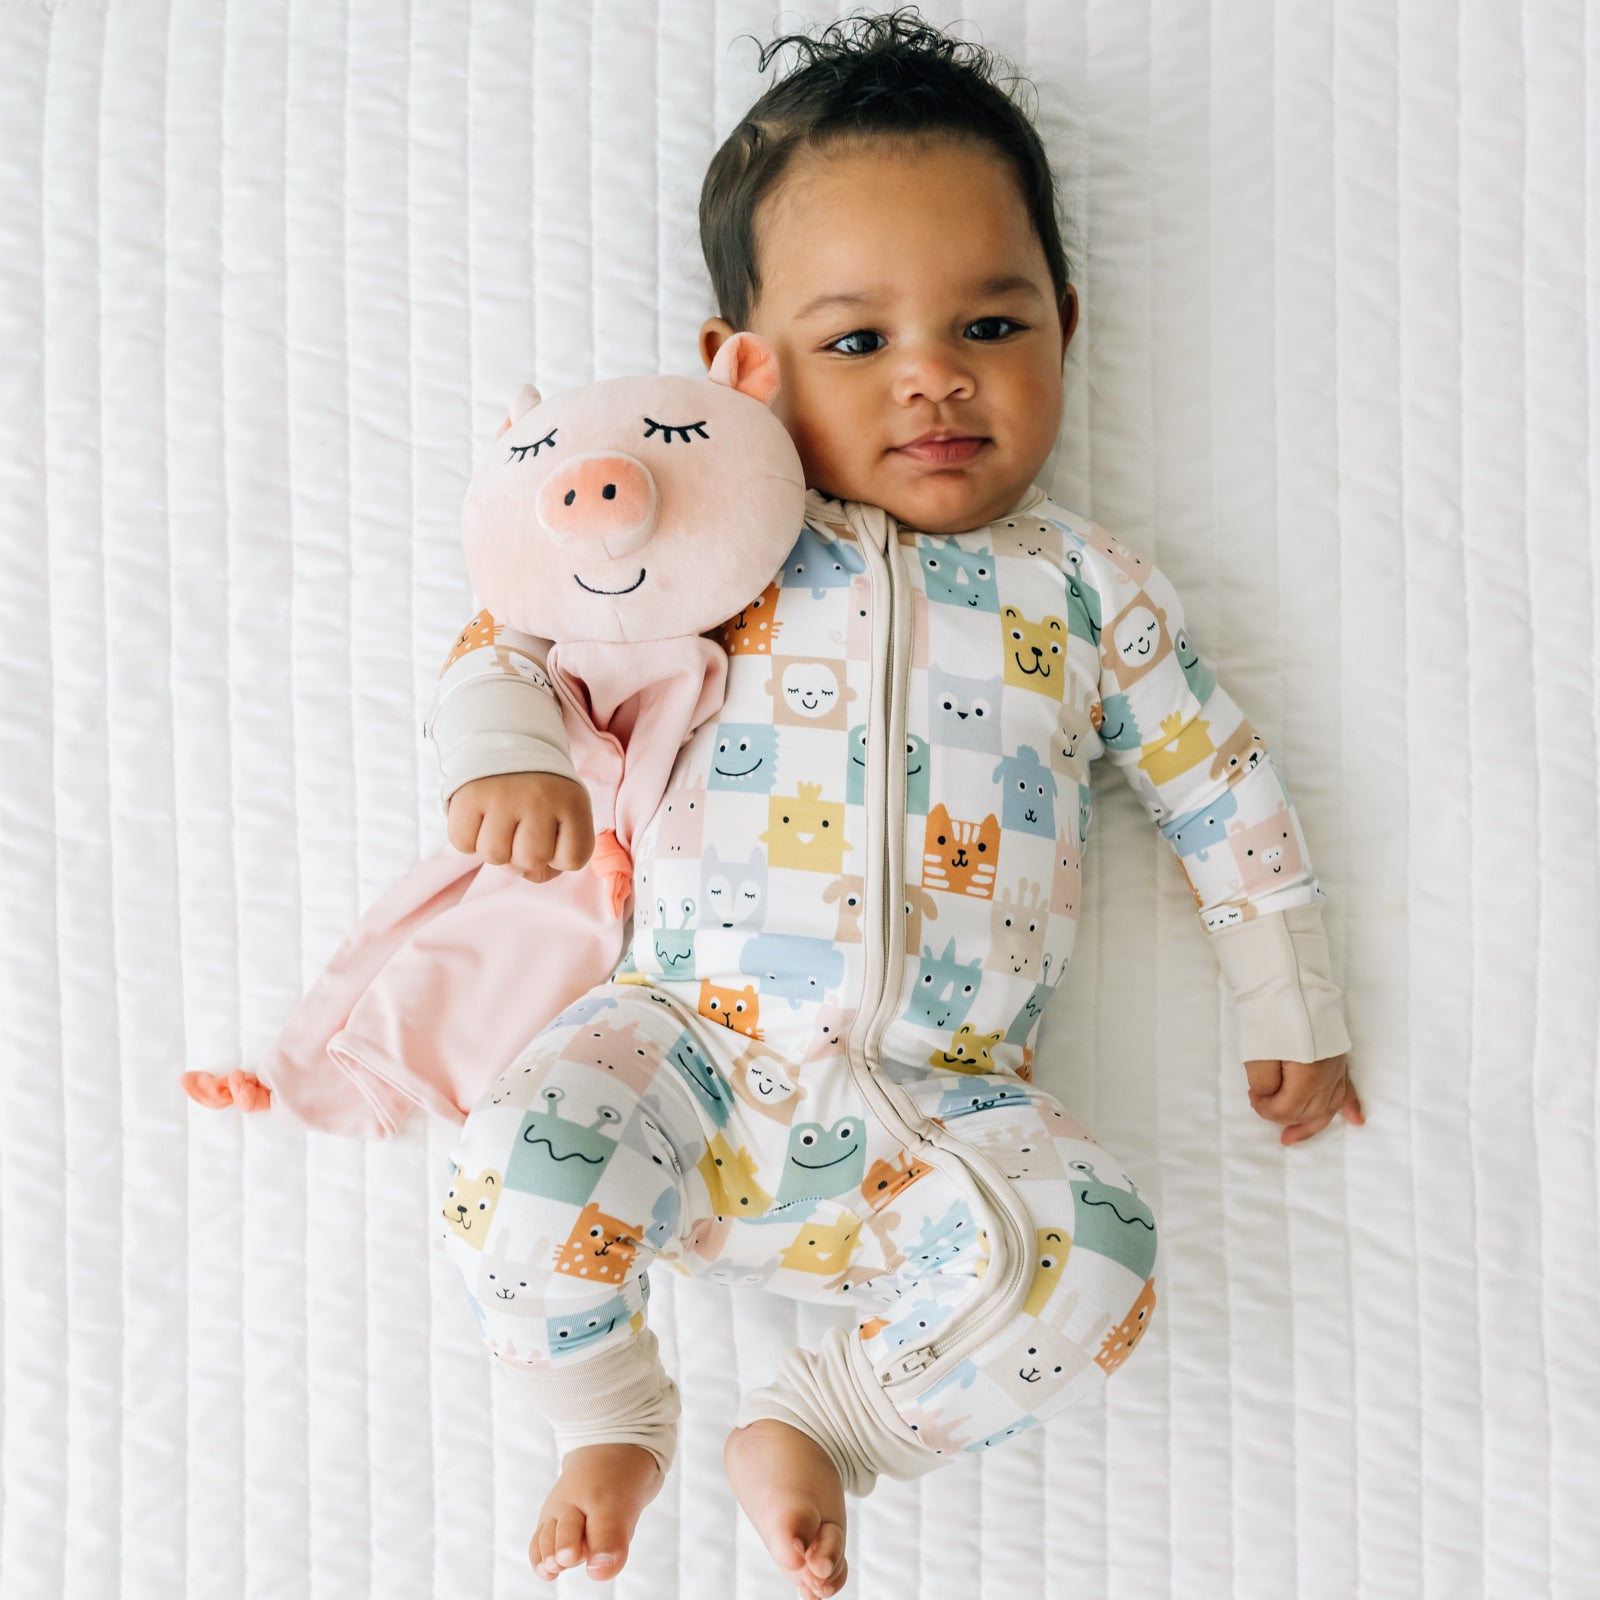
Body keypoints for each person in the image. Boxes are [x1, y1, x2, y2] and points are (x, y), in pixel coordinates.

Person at [432, 11, 1364, 1596]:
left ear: (1066, 326)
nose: (935, 374)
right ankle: (606, 1409)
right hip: (686, 1055)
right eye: (857, 342)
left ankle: (829, 1422)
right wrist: (504, 749)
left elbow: (1219, 785)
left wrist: (1292, 997)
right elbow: (515, 628)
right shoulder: (716, 548)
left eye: (992, 324)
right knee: (514, 1158)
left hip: (941, 1114)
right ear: (743, 367)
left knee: (1102, 1257)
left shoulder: (1087, 591)